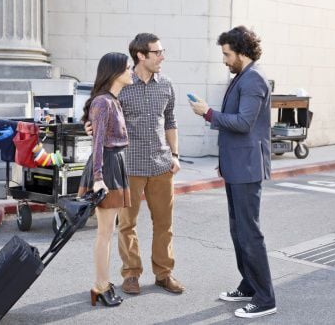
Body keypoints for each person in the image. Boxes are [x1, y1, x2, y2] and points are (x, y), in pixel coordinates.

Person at [85, 33, 184, 295]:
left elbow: (171, 121)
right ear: (141, 55)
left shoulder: (167, 84)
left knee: (164, 223)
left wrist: (175, 155)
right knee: (127, 225)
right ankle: (131, 273)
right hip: (129, 167)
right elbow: (100, 117)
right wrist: (90, 126)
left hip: (162, 164)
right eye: (157, 52)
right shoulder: (122, 84)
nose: (162, 56)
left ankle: (164, 274)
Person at [190, 26, 276, 319]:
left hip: (247, 168)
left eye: (227, 54)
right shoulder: (242, 76)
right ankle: (249, 284)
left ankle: (265, 298)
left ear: (242, 52)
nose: (224, 60)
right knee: (238, 230)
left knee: (249, 234)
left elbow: (243, 123)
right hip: (236, 165)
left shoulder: (253, 80)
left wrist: (208, 113)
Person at [77, 52, 133, 307]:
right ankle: (100, 285)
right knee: (105, 233)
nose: (131, 71)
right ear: (115, 72)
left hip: (115, 164)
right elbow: (97, 143)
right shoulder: (103, 102)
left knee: (109, 231)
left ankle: (102, 282)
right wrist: (98, 178)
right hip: (107, 167)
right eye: (128, 68)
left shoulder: (113, 100)